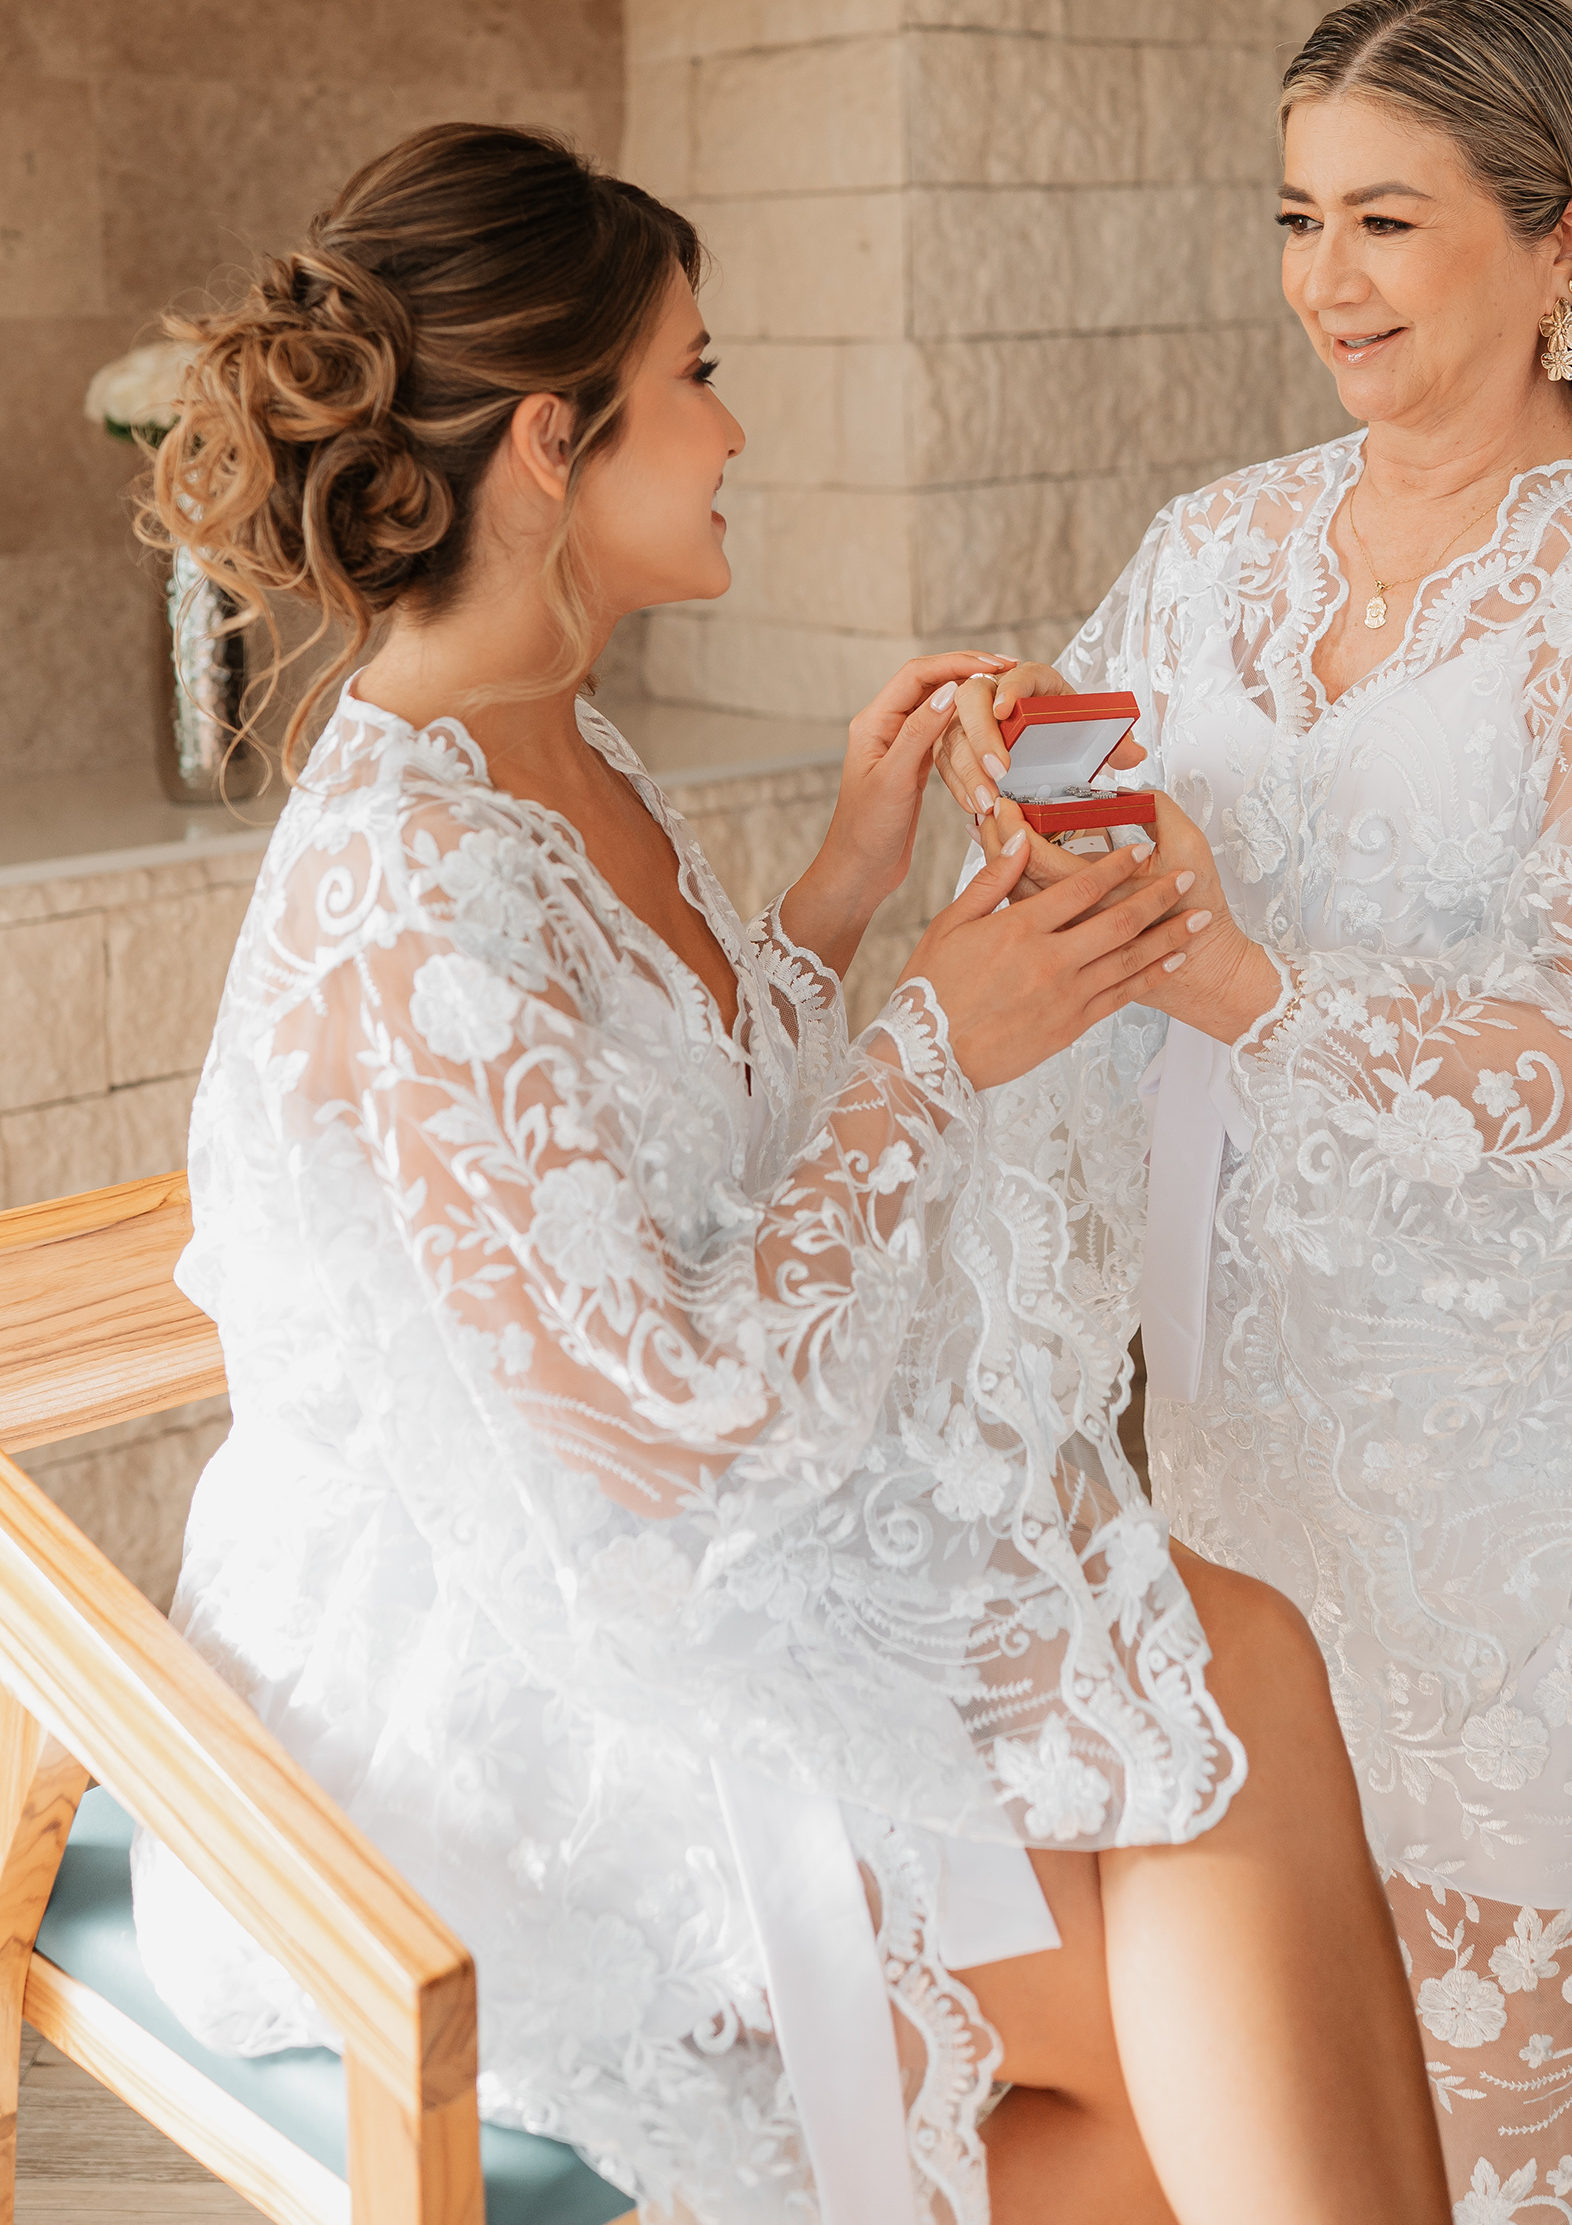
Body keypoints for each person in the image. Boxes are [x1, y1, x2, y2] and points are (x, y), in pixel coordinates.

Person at [132, 122, 1449, 2225]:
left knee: (1241, 1673)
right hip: (510, 1666)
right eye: (699, 374)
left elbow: (659, 1132)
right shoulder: (410, 875)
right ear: (553, 442)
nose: (736, 426)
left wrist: (844, 883)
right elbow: (663, 1429)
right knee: (1178, 1931)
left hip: (678, 1555)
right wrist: (938, 1037)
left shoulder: (546, 734)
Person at [935, 0, 1572, 2225]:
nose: (1328, 280)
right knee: (1248, 2122)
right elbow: (1107, 861)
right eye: (1299, 218)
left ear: (1559, 235)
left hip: (1523, 1494)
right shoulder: (1218, 544)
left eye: (1387, 221)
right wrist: (1036, 796)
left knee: (1490, 2145)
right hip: (1244, 1452)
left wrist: (1243, 979)